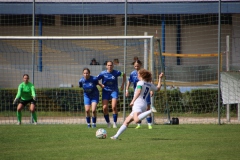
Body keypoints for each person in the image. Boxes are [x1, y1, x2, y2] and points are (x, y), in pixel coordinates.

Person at [111, 69, 163, 140]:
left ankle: (150, 111)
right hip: (143, 104)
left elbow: (138, 92)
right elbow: (158, 88)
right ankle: (116, 136)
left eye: (138, 74)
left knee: (136, 120)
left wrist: (132, 101)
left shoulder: (140, 83)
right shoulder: (149, 84)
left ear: (141, 75)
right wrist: (160, 78)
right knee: (127, 121)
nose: (137, 75)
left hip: (138, 104)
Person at [126, 60, 155, 129]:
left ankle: (149, 124)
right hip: (137, 94)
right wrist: (127, 90)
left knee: (147, 107)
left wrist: (151, 91)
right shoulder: (132, 73)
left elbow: (150, 81)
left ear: (140, 65)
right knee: (137, 109)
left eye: (138, 66)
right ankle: (139, 124)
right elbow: (129, 82)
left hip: (145, 92)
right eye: (135, 66)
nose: (136, 67)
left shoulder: (144, 73)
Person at [97, 61, 126, 128]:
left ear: (113, 66)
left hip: (114, 91)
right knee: (104, 108)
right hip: (105, 91)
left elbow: (124, 74)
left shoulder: (116, 72)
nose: (110, 66)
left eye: (111, 65)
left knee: (114, 106)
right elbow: (96, 79)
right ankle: (108, 123)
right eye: (108, 65)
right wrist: (100, 84)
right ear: (106, 66)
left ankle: (115, 123)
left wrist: (122, 85)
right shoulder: (103, 73)